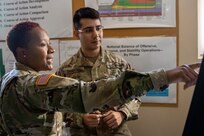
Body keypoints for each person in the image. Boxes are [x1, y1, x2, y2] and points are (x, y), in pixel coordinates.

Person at [0, 21, 199, 136]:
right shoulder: (35, 85)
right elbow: (89, 93)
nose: (51, 50)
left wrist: (121, 113)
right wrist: (170, 75)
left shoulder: (9, 78)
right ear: (23, 53)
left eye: (98, 28)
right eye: (43, 45)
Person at [55, 7, 199, 136]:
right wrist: (81, 119)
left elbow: (136, 95)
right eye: (88, 30)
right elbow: (56, 107)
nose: (96, 34)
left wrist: (122, 113)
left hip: (116, 132)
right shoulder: (66, 70)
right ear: (76, 34)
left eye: (99, 28)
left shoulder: (119, 64)